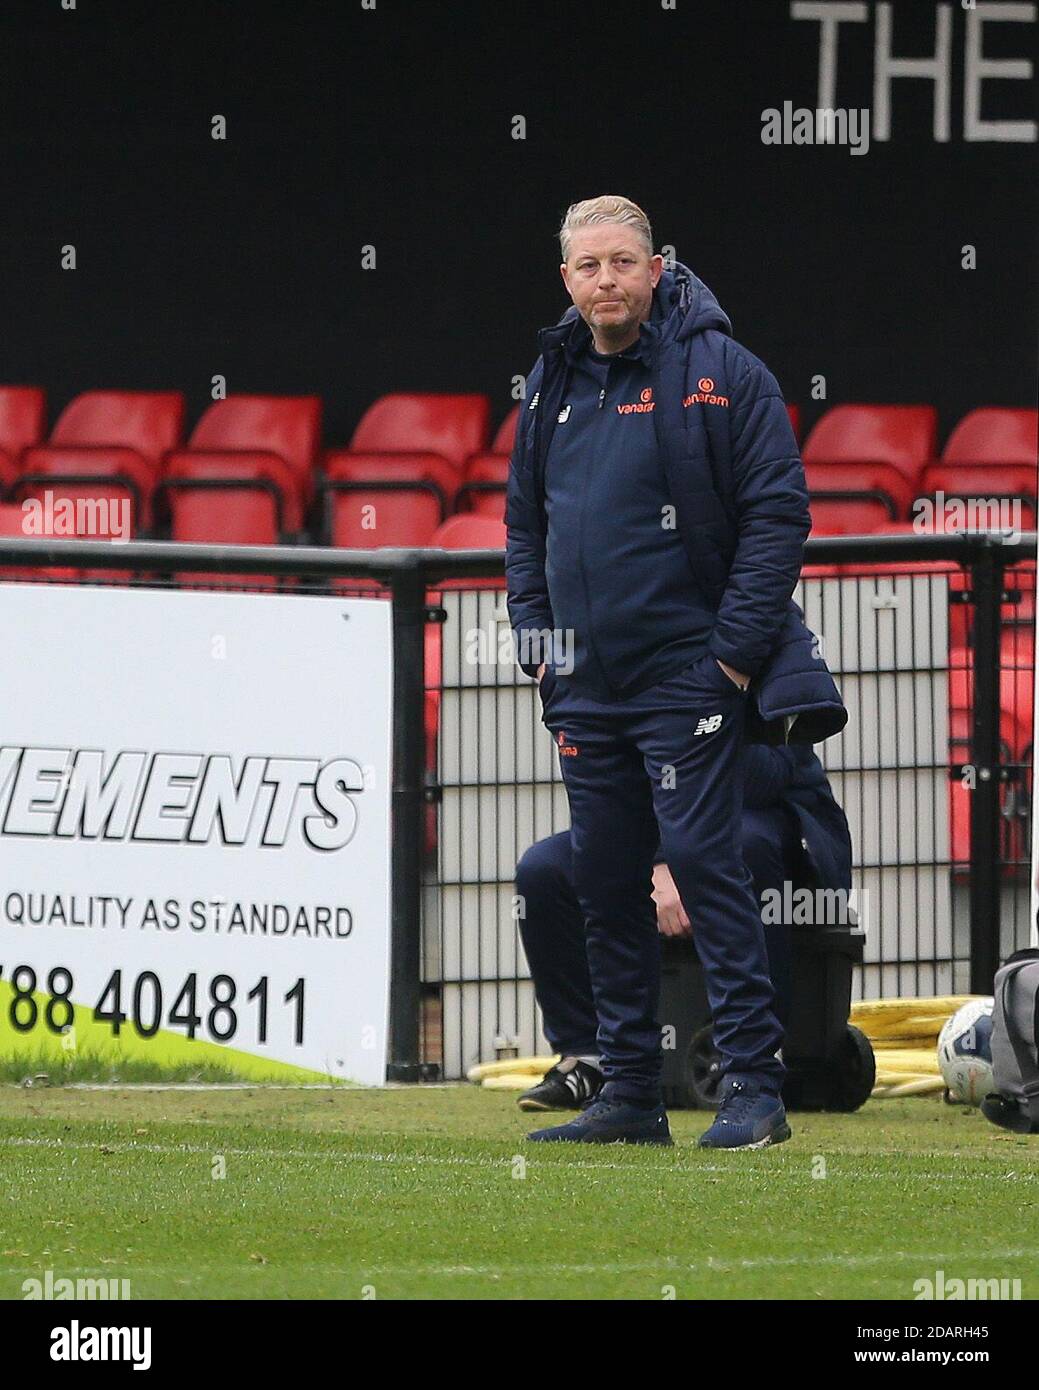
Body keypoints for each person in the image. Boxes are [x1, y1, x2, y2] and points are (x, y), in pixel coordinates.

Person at [506, 195, 838, 1149]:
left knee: (703, 864)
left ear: (656, 269)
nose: (605, 281)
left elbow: (778, 518)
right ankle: (626, 1096)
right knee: (604, 878)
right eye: (586, 267)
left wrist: (729, 659)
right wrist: (537, 644)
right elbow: (523, 526)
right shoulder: (549, 379)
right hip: (583, 686)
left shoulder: (725, 372)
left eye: (621, 263)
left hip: (688, 678)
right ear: (565, 280)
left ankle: (752, 1091)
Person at [514, 743, 854, 1113]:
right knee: (543, 871)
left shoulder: (756, 690)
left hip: (752, 812)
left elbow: (766, 773)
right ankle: (587, 1057)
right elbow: (604, 780)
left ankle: (755, 1061)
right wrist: (655, 855)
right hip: (655, 819)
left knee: (746, 846)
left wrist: (676, 855)